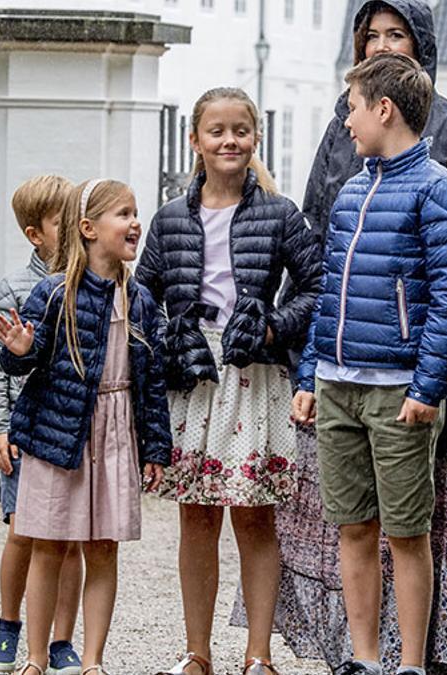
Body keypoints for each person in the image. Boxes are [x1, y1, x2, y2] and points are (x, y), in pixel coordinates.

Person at [268, 2, 447, 672]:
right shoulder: (348, 193)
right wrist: (309, 374)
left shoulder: (440, 188)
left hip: (400, 392)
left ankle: (413, 662)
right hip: (339, 384)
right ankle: (364, 658)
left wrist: (430, 384)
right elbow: (328, 291)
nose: (344, 121)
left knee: (408, 530)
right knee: (353, 526)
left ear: (386, 111)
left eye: (353, 107)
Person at [137, 87, 320, 675]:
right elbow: (144, 297)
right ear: (196, 141)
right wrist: (169, 338)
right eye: (216, 131)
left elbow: (317, 288)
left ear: (255, 138)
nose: (229, 141)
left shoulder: (280, 212)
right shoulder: (168, 219)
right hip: (193, 375)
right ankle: (197, 652)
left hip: (252, 373)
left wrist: (272, 327)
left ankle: (258, 654)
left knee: (254, 513)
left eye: (240, 130)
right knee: (195, 515)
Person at [0, 178, 172, 675]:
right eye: (123, 214)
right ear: (89, 229)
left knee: (103, 548)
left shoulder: (138, 298)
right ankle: (34, 657)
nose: (135, 222)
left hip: (115, 434)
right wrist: (21, 351)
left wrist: (155, 448)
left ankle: (92, 660)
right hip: (58, 435)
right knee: (47, 545)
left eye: (137, 212)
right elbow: (23, 365)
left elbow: (151, 380)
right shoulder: (53, 293)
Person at [0, 175, 84, 673]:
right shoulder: (14, 289)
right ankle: (8, 623)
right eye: (62, 223)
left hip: (71, 433)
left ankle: (62, 639)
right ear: (34, 233)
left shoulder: (90, 284)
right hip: (25, 433)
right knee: (22, 533)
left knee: (68, 542)